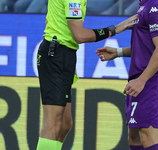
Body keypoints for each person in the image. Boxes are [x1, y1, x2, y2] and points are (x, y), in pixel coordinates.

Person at [36, 0, 138, 149]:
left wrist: (68, 59)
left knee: (65, 124)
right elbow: (80, 35)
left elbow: (50, 20)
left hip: (63, 54)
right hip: (56, 55)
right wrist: (115, 29)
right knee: (53, 122)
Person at [96, 0, 158, 149]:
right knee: (134, 138)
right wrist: (117, 52)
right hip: (139, 80)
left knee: (148, 137)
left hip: (151, 81)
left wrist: (142, 80)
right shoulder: (143, 6)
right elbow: (144, 47)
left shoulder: (155, 6)